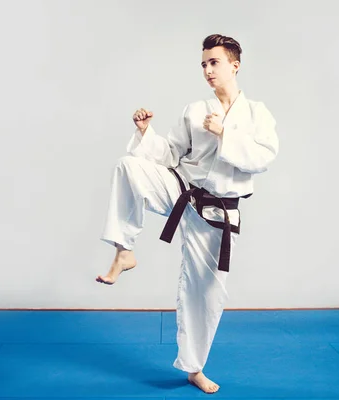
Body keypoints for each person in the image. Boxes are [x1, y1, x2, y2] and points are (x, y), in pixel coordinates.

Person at [96, 34, 279, 394]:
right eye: (204, 65)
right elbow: (170, 155)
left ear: (234, 65)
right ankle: (124, 249)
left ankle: (194, 367)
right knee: (128, 166)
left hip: (216, 212)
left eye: (215, 63)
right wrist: (145, 132)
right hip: (182, 189)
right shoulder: (195, 110)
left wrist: (225, 134)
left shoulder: (258, 113)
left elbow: (264, 157)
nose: (208, 70)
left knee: (206, 293)